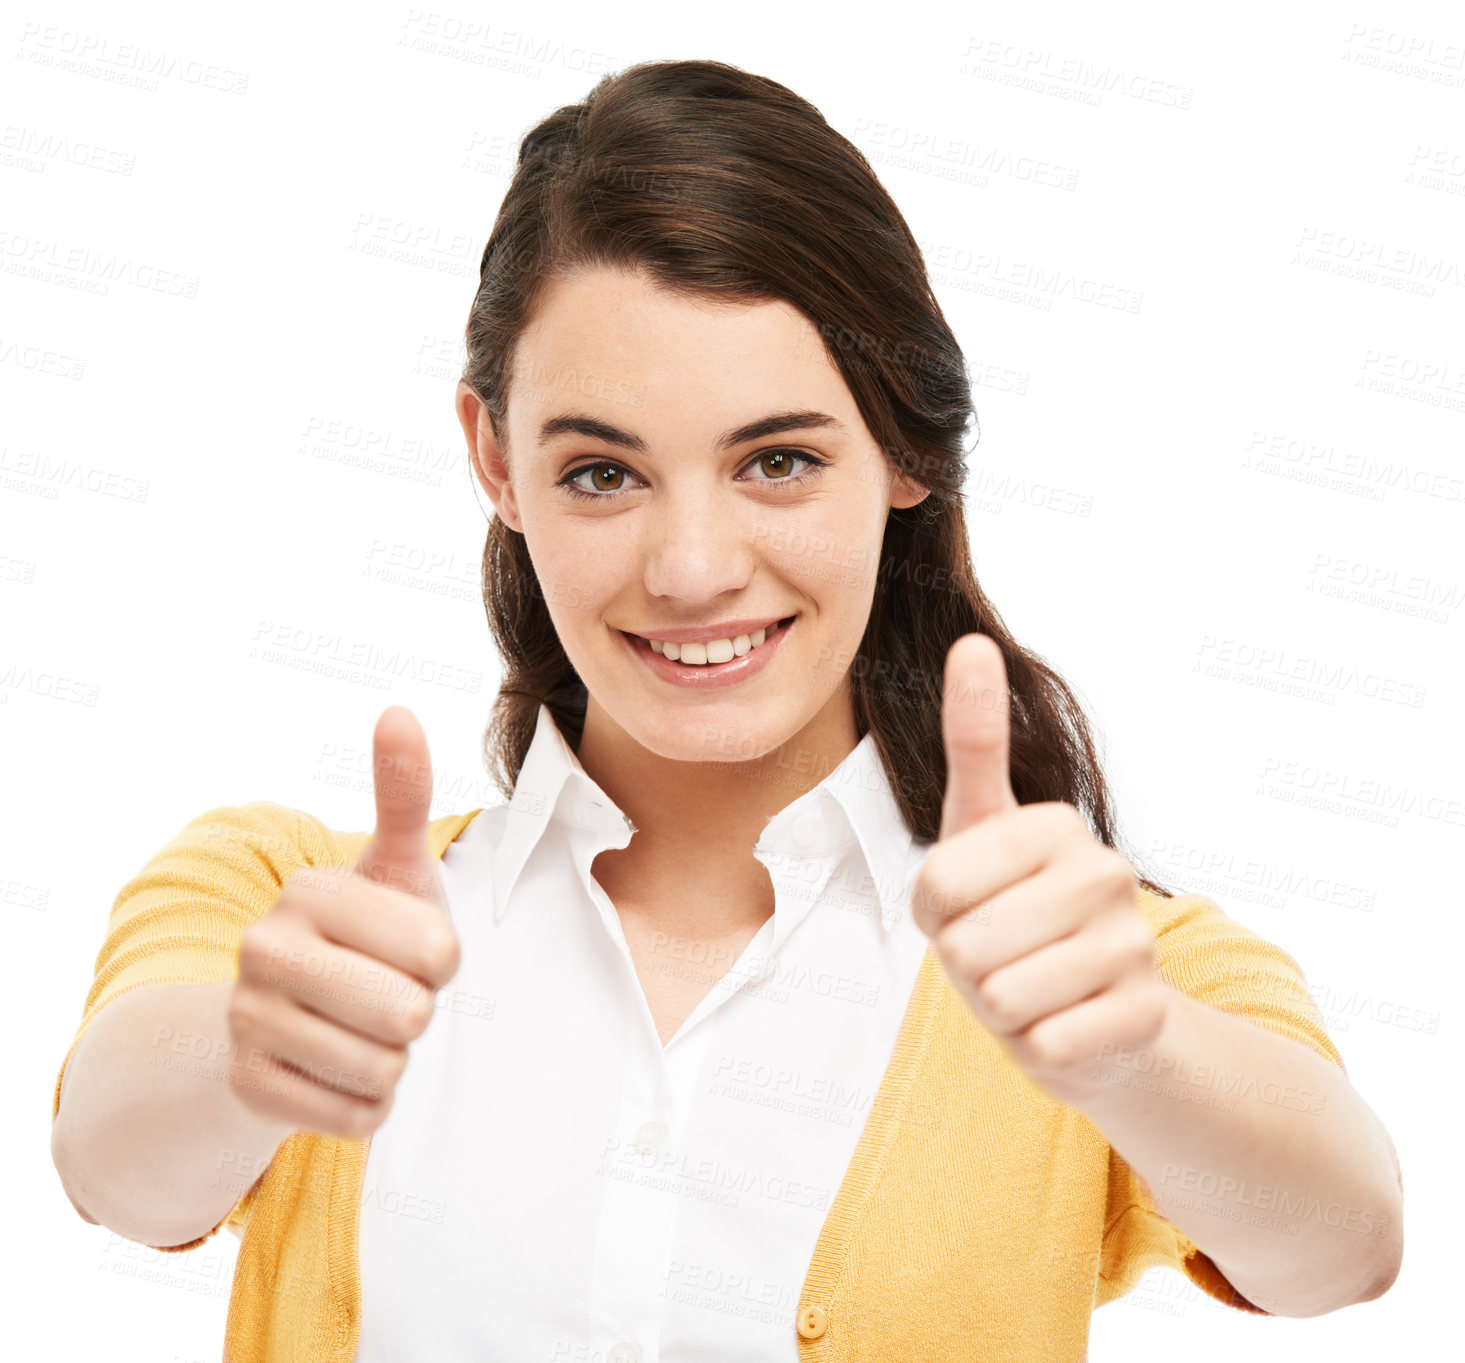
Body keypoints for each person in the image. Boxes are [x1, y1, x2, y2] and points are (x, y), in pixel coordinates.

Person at [50, 58, 1402, 1363]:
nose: (691, 569)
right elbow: (117, 1169)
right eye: (599, 473)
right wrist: (247, 1052)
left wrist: (1141, 1053)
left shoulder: (1087, 962)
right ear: (492, 459)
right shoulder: (289, 903)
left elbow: (1342, 1250)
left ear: (904, 450)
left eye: (776, 460)